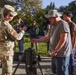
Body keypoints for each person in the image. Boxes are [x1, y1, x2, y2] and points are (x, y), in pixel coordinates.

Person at [31, 9, 72, 75]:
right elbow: (47, 37)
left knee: (62, 72)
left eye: (50, 18)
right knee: (55, 71)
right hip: (54, 53)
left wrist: (56, 50)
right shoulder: (53, 26)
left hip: (61, 54)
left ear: (55, 17)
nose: (49, 20)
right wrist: (37, 40)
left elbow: (63, 39)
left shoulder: (63, 24)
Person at [0, 5, 27, 75]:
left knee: (4, 69)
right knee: (7, 72)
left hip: (2, 49)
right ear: (7, 15)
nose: (13, 17)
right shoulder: (7, 25)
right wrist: (23, 31)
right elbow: (17, 37)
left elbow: (8, 30)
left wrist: (17, 23)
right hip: (7, 51)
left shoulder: (2, 23)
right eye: (11, 15)